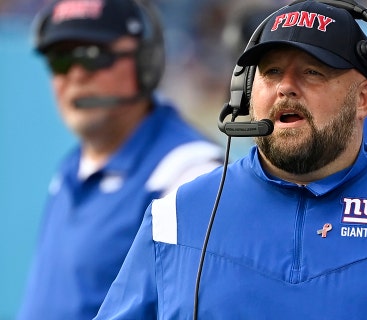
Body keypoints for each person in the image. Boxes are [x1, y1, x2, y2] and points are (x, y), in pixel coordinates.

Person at [95, 0, 367, 318]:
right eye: (271, 71)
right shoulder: (176, 219)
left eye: (312, 72)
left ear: (364, 99)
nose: (285, 88)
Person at [17, 0, 223, 319]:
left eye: (93, 56)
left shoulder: (188, 173)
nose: (74, 76)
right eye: (59, 60)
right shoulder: (73, 166)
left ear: (146, 62)